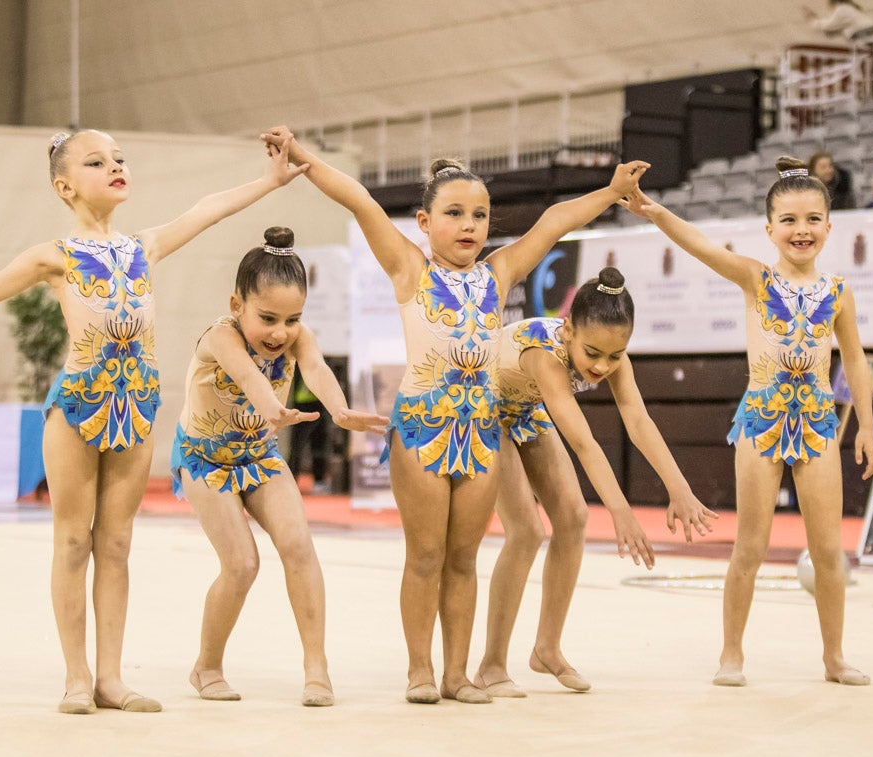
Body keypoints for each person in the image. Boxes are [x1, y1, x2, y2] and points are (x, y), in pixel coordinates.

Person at [0, 129, 309, 714]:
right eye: (96, 161)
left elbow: (207, 210)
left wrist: (268, 181)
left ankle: (111, 679)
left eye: (120, 158)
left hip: (136, 411)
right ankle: (75, 676)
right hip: (79, 409)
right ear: (64, 186)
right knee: (71, 540)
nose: (115, 166)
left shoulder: (145, 246)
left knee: (115, 544)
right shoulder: (54, 257)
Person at [262, 123, 650, 704]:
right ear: (424, 222)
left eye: (479, 215)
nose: (469, 226)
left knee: (465, 558)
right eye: (455, 214)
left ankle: (457, 673)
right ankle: (420, 669)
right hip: (423, 428)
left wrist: (610, 191)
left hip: (480, 431)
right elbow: (359, 198)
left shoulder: (497, 275)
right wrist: (302, 158)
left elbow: (553, 223)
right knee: (426, 555)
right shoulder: (410, 270)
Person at [621, 156, 873, 687]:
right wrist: (653, 210)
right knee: (750, 547)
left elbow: (854, 361)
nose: (800, 230)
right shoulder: (757, 279)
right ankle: (731, 654)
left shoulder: (838, 291)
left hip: (817, 424)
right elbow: (701, 245)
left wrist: (868, 428)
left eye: (812, 220)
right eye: (788, 220)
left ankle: (834, 658)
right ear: (769, 230)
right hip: (762, 420)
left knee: (828, 550)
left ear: (829, 227)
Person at [474, 269, 716, 697]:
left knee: (573, 517)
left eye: (616, 355)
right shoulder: (545, 355)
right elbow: (584, 443)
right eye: (593, 354)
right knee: (527, 531)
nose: (603, 367)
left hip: (524, 409)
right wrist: (621, 512)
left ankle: (547, 648)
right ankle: (491, 665)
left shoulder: (613, 357)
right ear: (567, 329)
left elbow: (639, 422)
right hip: (484, 411)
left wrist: (680, 488)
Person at [173, 226, 386, 708]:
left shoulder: (297, 336)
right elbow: (247, 375)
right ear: (236, 306)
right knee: (243, 563)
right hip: (205, 460)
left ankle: (317, 667)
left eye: (292, 319)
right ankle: (206, 665)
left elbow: (316, 369)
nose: (280, 333)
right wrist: (271, 406)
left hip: (259, 457)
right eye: (267, 318)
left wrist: (340, 410)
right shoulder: (220, 337)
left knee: (298, 545)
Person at [803, 1, 873, 96]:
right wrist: (815, 19)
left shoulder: (842, 9)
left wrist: (812, 19)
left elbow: (828, 25)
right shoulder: (847, 12)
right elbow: (829, 32)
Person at [288, 367, 332, 494]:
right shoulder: (294, 365)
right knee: (296, 446)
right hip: (300, 406)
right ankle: (291, 480)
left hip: (319, 405)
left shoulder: (321, 364)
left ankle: (319, 481)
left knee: (319, 445)